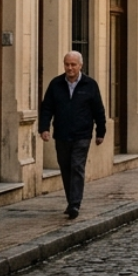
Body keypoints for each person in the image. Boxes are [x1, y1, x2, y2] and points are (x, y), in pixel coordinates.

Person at [38, 51, 106, 220]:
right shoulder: (56, 84)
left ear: (80, 66)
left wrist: (101, 131)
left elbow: (98, 109)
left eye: (73, 65)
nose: (70, 68)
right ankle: (71, 201)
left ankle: (75, 203)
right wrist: (44, 128)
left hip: (82, 134)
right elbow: (47, 108)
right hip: (61, 134)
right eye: (67, 64)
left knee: (77, 166)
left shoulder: (90, 85)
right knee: (65, 167)